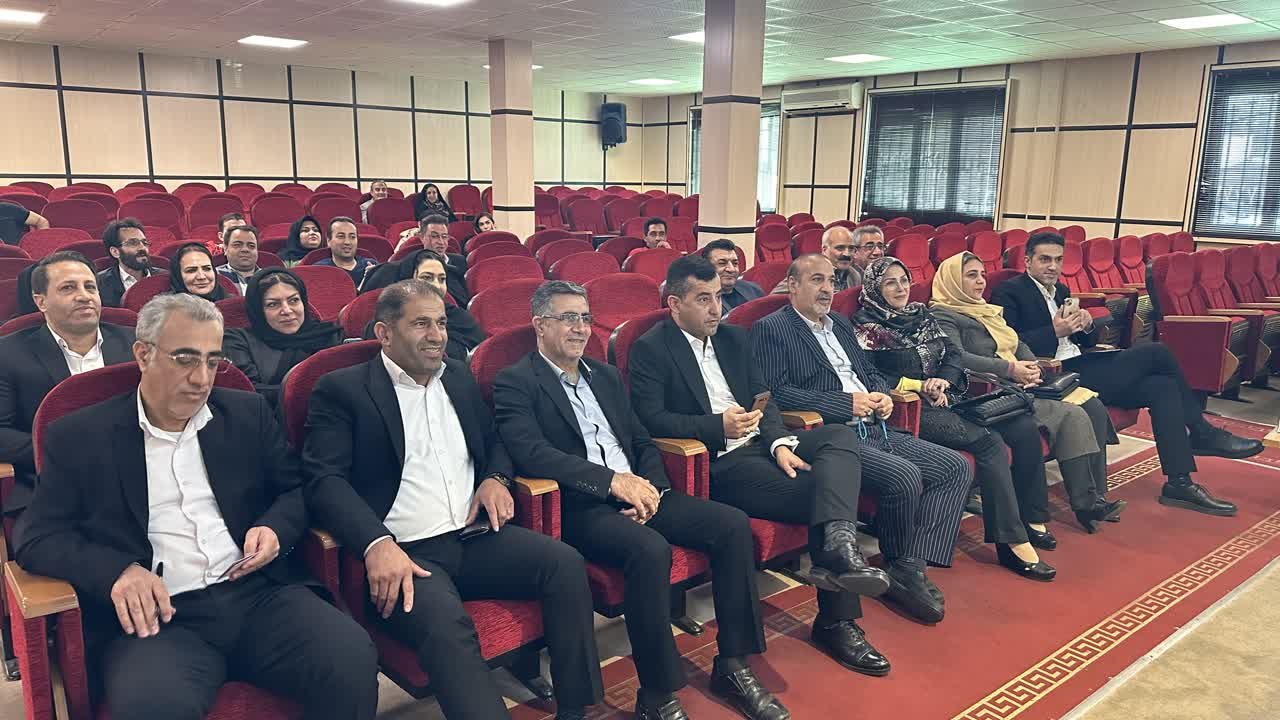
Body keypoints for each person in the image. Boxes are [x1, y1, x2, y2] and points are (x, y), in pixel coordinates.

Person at [14, 293, 379, 720]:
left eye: (212, 361)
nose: (201, 378)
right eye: (185, 358)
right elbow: (37, 536)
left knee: (350, 656)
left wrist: (275, 528)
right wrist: (116, 571)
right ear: (143, 354)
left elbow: (296, 490)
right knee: (152, 708)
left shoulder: (245, 413)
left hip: (257, 595)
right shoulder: (79, 436)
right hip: (159, 619)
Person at [304, 280, 602, 720]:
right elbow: (324, 481)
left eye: (441, 323)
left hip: (474, 535)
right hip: (406, 553)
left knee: (564, 564)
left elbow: (494, 439)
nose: (437, 335)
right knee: (447, 624)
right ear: (384, 333)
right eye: (421, 324)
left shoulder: (458, 376)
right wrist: (375, 543)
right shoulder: (342, 390)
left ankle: (576, 708)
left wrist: (495, 478)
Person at [495, 281, 790, 720]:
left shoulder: (605, 376)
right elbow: (531, 453)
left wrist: (653, 488)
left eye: (585, 318)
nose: (580, 328)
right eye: (568, 318)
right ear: (539, 325)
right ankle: (656, 692)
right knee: (649, 549)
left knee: (731, 525)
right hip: (580, 505)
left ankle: (733, 663)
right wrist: (612, 482)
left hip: (640, 490)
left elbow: (641, 440)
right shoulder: (516, 381)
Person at [629, 256, 893, 677]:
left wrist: (780, 443)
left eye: (718, 297)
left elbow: (764, 399)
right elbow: (650, 420)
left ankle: (840, 551)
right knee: (827, 494)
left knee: (839, 438)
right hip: (720, 462)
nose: (716, 309)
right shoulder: (651, 348)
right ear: (675, 304)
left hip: (761, 447)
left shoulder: (734, 338)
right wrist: (716, 426)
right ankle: (837, 618)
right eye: (703, 299)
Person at [752, 255, 973, 621]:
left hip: (876, 425)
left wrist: (882, 394)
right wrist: (845, 403)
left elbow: (870, 372)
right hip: (833, 436)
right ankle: (901, 563)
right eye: (817, 280)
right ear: (793, 285)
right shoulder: (772, 328)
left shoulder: (839, 323)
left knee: (955, 468)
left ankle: (907, 566)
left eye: (831, 281)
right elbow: (776, 393)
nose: (827, 289)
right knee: (904, 476)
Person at [991, 232, 1259, 516]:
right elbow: (1009, 344)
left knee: (1162, 386)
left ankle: (1179, 482)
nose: (1053, 267)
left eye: (1058, 260)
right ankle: (1202, 432)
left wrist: (1086, 325)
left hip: (1081, 361)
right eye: (1045, 259)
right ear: (1028, 261)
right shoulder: (1009, 292)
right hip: (1053, 373)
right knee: (1158, 352)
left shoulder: (1061, 290)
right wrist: (1055, 331)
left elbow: (1080, 341)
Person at [853, 257, 1056, 581]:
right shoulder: (866, 327)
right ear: (875, 288)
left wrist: (944, 381)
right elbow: (871, 376)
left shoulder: (920, 314)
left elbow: (953, 354)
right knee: (989, 442)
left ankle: (1029, 519)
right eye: (890, 282)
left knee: (1021, 427)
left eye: (904, 280)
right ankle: (1011, 540)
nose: (901, 288)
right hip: (910, 409)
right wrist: (921, 386)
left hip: (949, 396)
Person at [931, 252, 1126, 532]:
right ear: (952, 280)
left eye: (982, 275)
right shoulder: (943, 314)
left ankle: (1093, 499)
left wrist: (1033, 366)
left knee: (1086, 408)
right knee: (1071, 415)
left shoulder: (987, 310)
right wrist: (1011, 369)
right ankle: (1084, 504)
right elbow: (958, 357)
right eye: (971, 276)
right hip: (989, 389)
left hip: (1019, 383)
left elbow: (1016, 342)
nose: (980, 281)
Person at [0, 251, 135, 516]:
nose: (84, 296)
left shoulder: (136, 343)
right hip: (53, 486)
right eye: (68, 288)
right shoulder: (7, 354)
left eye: (90, 287)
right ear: (41, 301)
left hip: (138, 478)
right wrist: (68, 451)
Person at [223, 269, 341, 407]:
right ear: (258, 310)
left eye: (294, 300)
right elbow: (249, 391)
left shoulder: (329, 334)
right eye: (273, 304)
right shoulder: (237, 340)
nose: (287, 310)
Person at [359, 249, 486, 360]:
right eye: (427, 278)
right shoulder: (388, 320)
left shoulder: (459, 318)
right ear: (408, 279)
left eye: (441, 279)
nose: (437, 285)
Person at [773, 226, 881, 294]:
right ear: (824, 250)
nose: (847, 254)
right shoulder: (807, 271)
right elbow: (774, 301)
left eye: (851, 249)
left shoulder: (855, 274)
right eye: (840, 248)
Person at [388, 214, 470, 305]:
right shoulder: (410, 263)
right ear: (422, 237)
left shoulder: (459, 261)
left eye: (444, 236)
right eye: (434, 236)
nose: (441, 242)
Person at [97, 219, 167, 308]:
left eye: (144, 243)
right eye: (133, 243)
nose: (142, 248)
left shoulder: (166, 278)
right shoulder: (100, 284)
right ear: (115, 252)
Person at [701, 239, 763, 314]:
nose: (731, 269)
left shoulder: (753, 289)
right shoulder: (701, 301)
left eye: (735, 263)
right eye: (722, 263)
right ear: (706, 267)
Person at [315, 216, 376, 289]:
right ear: (328, 241)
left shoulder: (371, 265)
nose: (347, 242)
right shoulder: (320, 270)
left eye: (352, 237)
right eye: (341, 236)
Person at [216, 225, 261, 295]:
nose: (245, 249)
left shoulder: (271, 278)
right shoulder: (213, 277)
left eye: (251, 246)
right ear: (225, 249)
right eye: (237, 245)